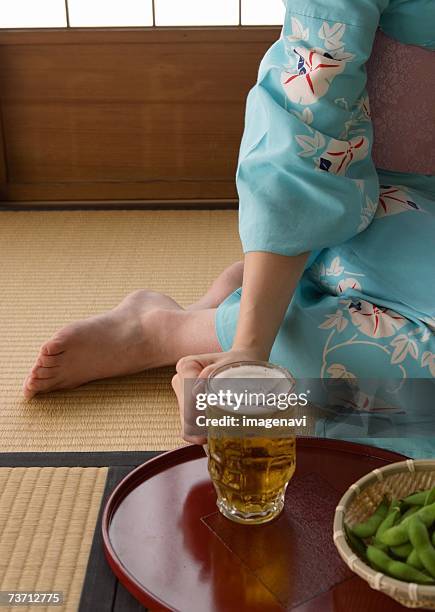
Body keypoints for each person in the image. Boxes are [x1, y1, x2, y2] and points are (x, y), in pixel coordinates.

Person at [23, 0, 435, 458]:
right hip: (382, 205)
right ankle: (167, 332)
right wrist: (249, 349)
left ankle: (211, 324)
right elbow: (306, 131)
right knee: (400, 381)